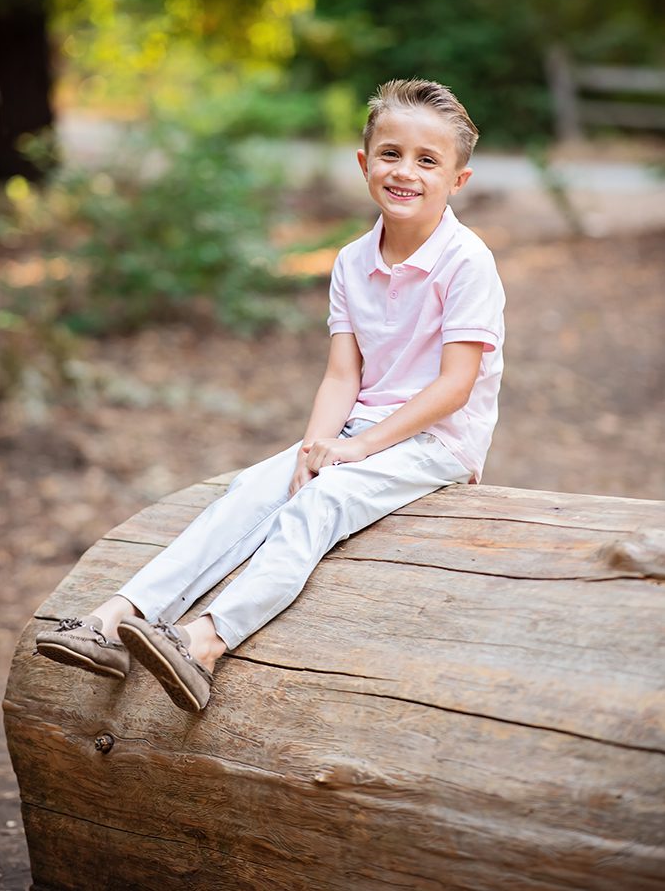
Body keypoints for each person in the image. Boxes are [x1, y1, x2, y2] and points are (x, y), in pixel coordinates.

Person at [35, 78, 505, 713]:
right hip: (359, 428)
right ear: (364, 163)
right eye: (390, 154)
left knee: (325, 500)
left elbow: (456, 386)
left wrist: (355, 449)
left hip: (436, 442)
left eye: (428, 161)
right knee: (252, 492)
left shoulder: (467, 262)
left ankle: (204, 642)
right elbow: (343, 375)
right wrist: (317, 446)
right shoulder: (350, 261)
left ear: (459, 180)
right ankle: (117, 619)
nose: (405, 172)